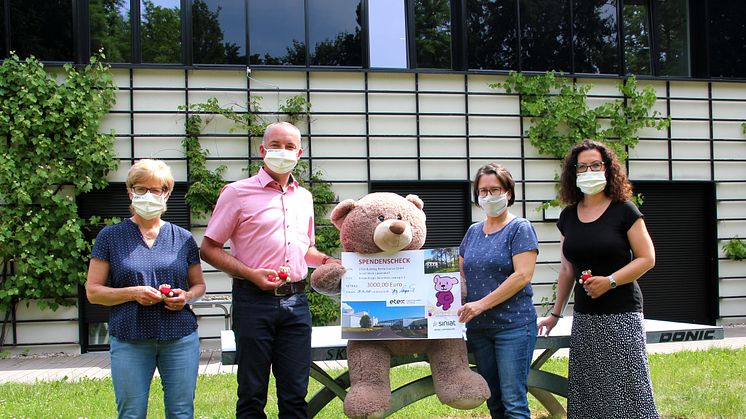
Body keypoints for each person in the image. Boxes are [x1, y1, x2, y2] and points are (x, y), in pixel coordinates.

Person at [200, 121, 339, 418]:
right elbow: (209, 249)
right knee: (252, 394)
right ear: (262, 150)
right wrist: (251, 274)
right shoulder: (237, 193)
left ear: (299, 154)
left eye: (290, 146)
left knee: (295, 394)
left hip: (296, 303)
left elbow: (305, 249)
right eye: (276, 145)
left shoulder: (304, 197)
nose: (282, 151)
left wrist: (327, 261)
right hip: (253, 301)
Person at [537, 139, 658, 418]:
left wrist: (610, 281)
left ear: (607, 168)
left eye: (595, 164)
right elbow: (567, 269)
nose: (589, 170)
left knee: (628, 393)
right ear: (574, 173)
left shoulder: (624, 210)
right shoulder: (568, 216)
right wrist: (555, 314)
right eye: (582, 166)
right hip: (585, 317)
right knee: (589, 392)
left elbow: (646, 258)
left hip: (621, 315)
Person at [85, 159, 206, 418]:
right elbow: (93, 291)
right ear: (130, 192)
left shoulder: (183, 238)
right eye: (141, 189)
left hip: (180, 337)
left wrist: (185, 297)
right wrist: (132, 293)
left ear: (167, 194)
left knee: (182, 412)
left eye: (156, 189)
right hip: (130, 337)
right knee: (131, 413)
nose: (148, 195)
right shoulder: (110, 236)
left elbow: (198, 286)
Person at [457, 163, 539, 419]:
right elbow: (459, 275)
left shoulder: (520, 228)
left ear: (509, 193)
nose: (489, 196)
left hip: (513, 327)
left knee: (513, 402)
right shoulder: (472, 232)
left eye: (495, 190)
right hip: (479, 329)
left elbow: (522, 275)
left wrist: (480, 304)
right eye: (483, 191)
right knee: (493, 401)